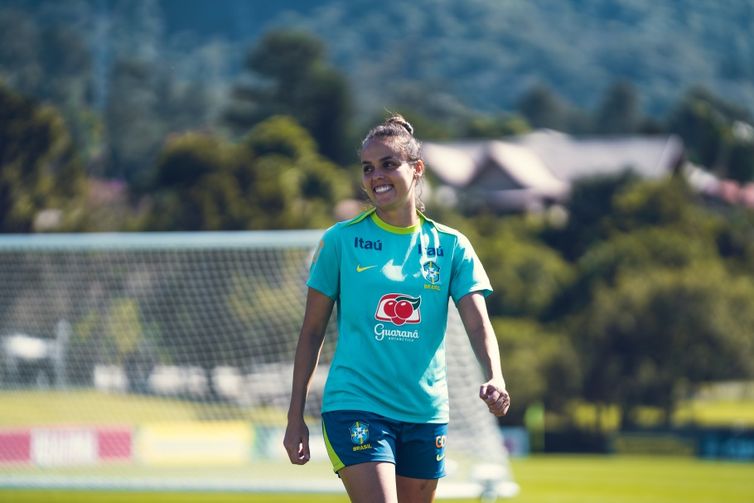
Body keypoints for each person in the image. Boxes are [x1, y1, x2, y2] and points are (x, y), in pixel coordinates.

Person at [283, 114, 510, 503]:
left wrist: (496, 376)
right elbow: (312, 331)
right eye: (368, 168)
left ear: (416, 169)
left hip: (425, 412)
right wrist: (294, 416)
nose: (377, 176)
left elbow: (478, 325)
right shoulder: (341, 241)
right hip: (356, 404)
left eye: (389, 164)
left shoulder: (451, 246)